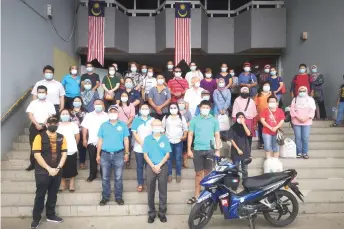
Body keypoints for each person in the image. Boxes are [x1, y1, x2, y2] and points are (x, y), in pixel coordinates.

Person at [30, 116, 67, 229]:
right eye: (51, 123)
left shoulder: (62, 137)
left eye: (55, 123)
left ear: (58, 124)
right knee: (40, 195)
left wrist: (58, 168)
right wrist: (49, 169)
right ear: (46, 124)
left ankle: (50, 215)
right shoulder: (39, 137)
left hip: (57, 171)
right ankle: (36, 218)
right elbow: (37, 154)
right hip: (42, 172)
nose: (53, 125)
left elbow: (64, 153)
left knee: (53, 194)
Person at [187, 100, 221, 204]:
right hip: (197, 150)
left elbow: (217, 135)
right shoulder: (194, 120)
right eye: (203, 107)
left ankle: (207, 195)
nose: (205, 109)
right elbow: (190, 135)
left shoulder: (214, 120)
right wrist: (188, 149)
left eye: (207, 107)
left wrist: (218, 150)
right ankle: (197, 195)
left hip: (210, 150)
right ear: (200, 108)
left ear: (210, 109)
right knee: (198, 174)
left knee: (208, 174)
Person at [96, 105, 130, 206]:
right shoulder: (103, 125)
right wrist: (98, 154)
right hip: (105, 155)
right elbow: (100, 140)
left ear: (118, 113)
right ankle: (105, 197)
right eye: (111, 111)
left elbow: (126, 139)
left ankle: (118, 197)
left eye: (115, 111)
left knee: (118, 178)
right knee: (105, 178)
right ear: (108, 113)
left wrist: (127, 153)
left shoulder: (123, 125)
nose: (113, 113)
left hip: (119, 154)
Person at [143, 119, 171, 224]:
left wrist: (158, 165)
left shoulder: (165, 139)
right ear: (151, 126)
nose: (157, 127)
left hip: (162, 167)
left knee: (163, 191)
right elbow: (145, 155)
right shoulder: (147, 139)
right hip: (150, 167)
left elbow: (167, 154)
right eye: (155, 125)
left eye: (159, 125)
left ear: (161, 126)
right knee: (150, 191)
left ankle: (162, 213)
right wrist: (153, 166)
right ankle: (151, 213)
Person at [26, 85, 56, 171]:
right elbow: (30, 115)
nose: (41, 94)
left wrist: (42, 125)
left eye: (43, 92)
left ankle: (44, 164)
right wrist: (37, 124)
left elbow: (51, 116)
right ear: (37, 93)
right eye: (39, 92)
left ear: (46, 93)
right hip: (34, 126)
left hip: (46, 127)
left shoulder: (50, 104)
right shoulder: (33, 103)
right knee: (33, 145)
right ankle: (33, 164)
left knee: (46, 146)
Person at [81, 99, 109, 182]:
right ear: (93, 105)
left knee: (103, 160)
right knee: (92, 159)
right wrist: (84, 139)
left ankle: (103, 175)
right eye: (96, 104)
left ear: (103, 105)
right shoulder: (89, 115)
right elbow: (85, 128)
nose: (98, 106)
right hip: (92, 141)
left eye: (100, 104)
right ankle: (92, 175)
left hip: (104, 142)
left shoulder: (107, 116)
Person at [132, 103, 155, 192]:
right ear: (140, 110)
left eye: (146, 109)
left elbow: (155, 133)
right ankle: (140, 183)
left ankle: (149, 183)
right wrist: (142, 143)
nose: (144, 110)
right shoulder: (136, 120)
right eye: (143, 108)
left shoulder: (153, 120)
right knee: (139, 166)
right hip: (139, 148)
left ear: (149, 110)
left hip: (150, 148)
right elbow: (134, 133)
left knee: (149, 167)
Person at [162, 103, 188, 183]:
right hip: (168, 141)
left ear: (177, 108)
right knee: (169, 158)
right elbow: (162, 128)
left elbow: (185, 128)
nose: (173, 109)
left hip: (178, 141)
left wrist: (184, 136)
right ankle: (169, 174)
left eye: (175, 107)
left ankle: (178, 174)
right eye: (171, 107)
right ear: (169, 109)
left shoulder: (181, 117)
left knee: (178, 158)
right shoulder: (166, 117)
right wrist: (164, 138)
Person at [57, 109, 79, 192]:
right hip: (60, 150)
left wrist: (74, 144)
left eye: (66, 114)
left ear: (69, 116)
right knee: (61, 167)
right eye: (63, 113)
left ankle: (71, 183)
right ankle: (63, 183)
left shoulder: (73, 125)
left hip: (71, 149)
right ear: (60, 115)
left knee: (72, 166)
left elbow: (77, 136)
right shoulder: (57, 125)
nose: (65, 115)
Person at [290, 86, 316, 159]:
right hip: (296, 121)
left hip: (307, 121)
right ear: (298, 91)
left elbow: (312, 110)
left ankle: (305, 153)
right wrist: (298, 118)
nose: (302, 92)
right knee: (298, 137)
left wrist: (306, 118)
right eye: (300, 91)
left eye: (303, 91)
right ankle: (298, 152)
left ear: (306, 91)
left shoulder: (310, 100)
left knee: (305, 137)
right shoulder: (294, 100)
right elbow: (292, 110)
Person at [227, 112, 251, 178]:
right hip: (236, 150)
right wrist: (238, 149)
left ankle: (246, 183)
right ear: (236, 118)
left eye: (242, 117)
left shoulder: (246, 126)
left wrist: (243, 124)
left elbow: (248, 134)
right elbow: (231, 139)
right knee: (235, 169)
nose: (241, 119)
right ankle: (235, 184)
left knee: (245, 169)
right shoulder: (232, 128)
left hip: (245, 150)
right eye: (239, 117)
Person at [117, 91, 136, 168]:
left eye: (125, 96)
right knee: (119, 143)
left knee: (127, 144)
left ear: (128, 97)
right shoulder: (116, 105)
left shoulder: (131, 105)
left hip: (128, 127)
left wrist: (125, 125)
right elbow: (115, 116)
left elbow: (132, 116)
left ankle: (127, 160)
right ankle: (120, 159)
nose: (124, 97)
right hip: (118, 128)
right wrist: (121, 126)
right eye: (122, 95)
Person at [70, 97, 88, 170]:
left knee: (82, 148)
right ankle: (72, 163)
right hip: (71, 133)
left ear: (81, 102)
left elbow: (87, 123)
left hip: (82, 132)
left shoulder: (85, 112)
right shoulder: (69, 112)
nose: (77, 102)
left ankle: (82, 163)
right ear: (73, 102)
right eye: (75, 101)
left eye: (78, 101)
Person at [254, 82, 272, 149]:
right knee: (261, 130)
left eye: (268, 85)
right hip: (260, 115)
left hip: (270, 115)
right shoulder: (258, 94)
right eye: (265, 85)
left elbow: (276, 104)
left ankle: (269, 143)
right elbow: (255, 105)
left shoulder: (272, 94)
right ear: (262, 86)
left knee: (269, 129)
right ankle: (261, 143)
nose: (266, 86)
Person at [177, 98, 192, 168]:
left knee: (185, 148)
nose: (181, 105)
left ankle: (185, 161)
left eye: (182, 103)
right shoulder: (175, 111)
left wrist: (185, 125)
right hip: (177, 132)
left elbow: (190, 121)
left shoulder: (188, 112)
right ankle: (177, 162)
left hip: (186, 131)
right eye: (179, 103)